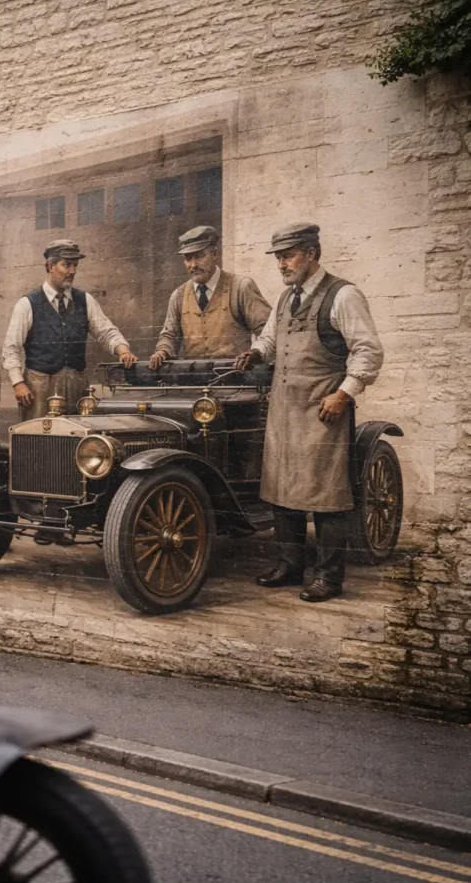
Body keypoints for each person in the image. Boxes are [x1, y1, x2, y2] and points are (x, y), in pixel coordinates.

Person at [235, 222, 384, 603]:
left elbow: (368, 351)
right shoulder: (287, 299)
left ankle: (329, 578)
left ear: (313, 254)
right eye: (279, 258)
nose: (281, 265)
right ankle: (289, 566)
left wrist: (344, 393)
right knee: (283, 488)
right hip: (284, 411)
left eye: (288, 256)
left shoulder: (343, 295)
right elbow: (270, 338)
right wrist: (256, 352)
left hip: (323, 412)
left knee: (325, 495)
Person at [2, 239, 137, 418]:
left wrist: (123, 351)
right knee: (38, 441)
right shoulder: (27, 304)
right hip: (39, 390)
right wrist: (18, 383)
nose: (72, 271)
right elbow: (10, 348)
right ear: (50, 266)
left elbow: (106, 331)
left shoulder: (85, 300)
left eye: (75, 265)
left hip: (75, 387)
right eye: (66, 265)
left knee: (77, 439)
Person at [149, 225, 271, 369]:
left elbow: (268, 332)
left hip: (236, 380)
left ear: (214, 254)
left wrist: (254, 354)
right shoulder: (179, 295)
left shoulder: (241, 287)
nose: (193, 264)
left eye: (200, 256)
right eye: (188, 258)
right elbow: (170, 335)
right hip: (194, 381)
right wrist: (162, 351)